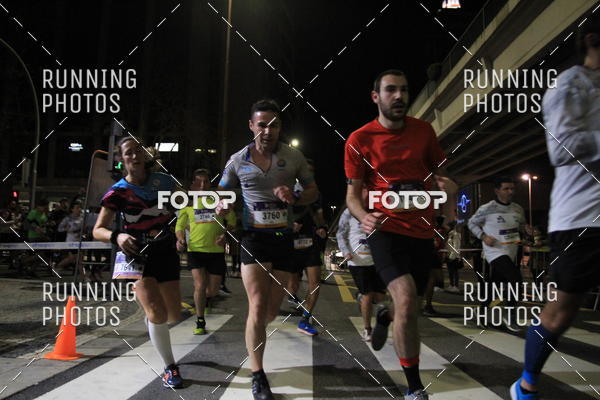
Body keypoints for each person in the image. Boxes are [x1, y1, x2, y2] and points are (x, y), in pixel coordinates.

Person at [344, 69, 457, 400]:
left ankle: (385, 315)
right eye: (390, 90)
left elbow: (442, 178)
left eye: (404, 90)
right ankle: (414, 387)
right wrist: (364, 216)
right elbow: (352, 196)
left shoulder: (423, 132)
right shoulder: (359, 140)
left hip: (421, 232)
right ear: (376, 97)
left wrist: (449, 201)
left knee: (410, 307)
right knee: (406, 297)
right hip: (386, 230)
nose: (399, 96)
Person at [511, 16, 600, 400]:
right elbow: (561, 149)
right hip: (582, 218)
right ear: (593, 40)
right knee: (561, 313)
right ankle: (526, 384)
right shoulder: (569, 85)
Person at [217, 99, 318, 400]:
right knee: (258, 306)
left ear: (280, 127)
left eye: (274, 125)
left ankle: (257, 338)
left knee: (271, 312)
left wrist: (295, 197)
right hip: (254, 238)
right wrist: (223, 204)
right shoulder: (238, 160)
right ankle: (258, 374)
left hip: (283, 240)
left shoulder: (293, 157)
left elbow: (313, 191)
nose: (268, 131)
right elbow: (222, 191)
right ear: (251, 126)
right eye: (262, 125)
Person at [93, 137, 184, 389]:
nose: (134, 156)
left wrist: (182, 225)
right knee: (157, 312)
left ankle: (152, 322)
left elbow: (185, 206)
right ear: (121, 159)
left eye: (137, 151)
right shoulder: (117, 192)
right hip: (136, 254)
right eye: (128, 152)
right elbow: (98, 230)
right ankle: (170, 368)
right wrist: (117, 236)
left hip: (165, 252)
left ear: (144, 155)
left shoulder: (164, 182)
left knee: (172, 315)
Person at [175, 168, 236, 335]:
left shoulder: (219, 202)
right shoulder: (187, 205)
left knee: (212, 291)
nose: (202, 185)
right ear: (192, 185)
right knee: (200, 285)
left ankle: (207, 299)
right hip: (195, 250)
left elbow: (232, 222)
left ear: (210, 184)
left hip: (216, 251)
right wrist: (180, 239)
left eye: (206, 182)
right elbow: (179, 226)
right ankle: (200, 320)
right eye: (198, 182)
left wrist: (225, 234)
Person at [468, 176, 530, 332]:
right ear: (497, 190)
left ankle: (481, 311)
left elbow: (521, 226)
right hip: (494, 252)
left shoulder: (518, 209)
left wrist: (527, 230)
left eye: (512, 189)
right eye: (506, 188)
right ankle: (510, 315)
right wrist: (483, 236)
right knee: (515, 278)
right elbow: (471, 223)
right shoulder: (487, 208)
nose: (510, 192)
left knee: (493, 287)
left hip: (511, 251)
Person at [336, 196, 386, 342]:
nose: (366, 193)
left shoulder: (380, 210)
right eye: (363, 189)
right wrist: (345, 251)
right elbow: (340, 233)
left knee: (380, 297)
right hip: (358, 260)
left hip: (378, 259)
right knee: (368, 295)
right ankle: (367, 329)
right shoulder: (349, 211)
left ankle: (362, 299)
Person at [287, 160, 327, 336]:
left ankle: (305, 319)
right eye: (306, 171)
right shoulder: (288, 190)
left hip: (311, 242)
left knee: (315, 283)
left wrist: (322, 227)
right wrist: (289, 226)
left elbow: (319, 215)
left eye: (311, 171)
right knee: (292, 284)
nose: (308, 174)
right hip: (291, 243)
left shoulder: (316, 194)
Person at [423, 217, 446, 316]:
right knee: (431, 280)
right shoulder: (433, 232)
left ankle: (427, 305)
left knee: (432, 280)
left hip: (431, 256)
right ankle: (427, 306)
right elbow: (437, 244)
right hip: (430, 256)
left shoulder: (434, 231)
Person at [445, 222, 462, 293]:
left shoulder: (455, 234)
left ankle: (456, 286)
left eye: (449, 226)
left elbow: (456, 246)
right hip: (450, 255)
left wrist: (452, 257)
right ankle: (451, 285)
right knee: (450, 271)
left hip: (454, 256)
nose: (447, 227)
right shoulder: (450, 234)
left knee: (455, 271)